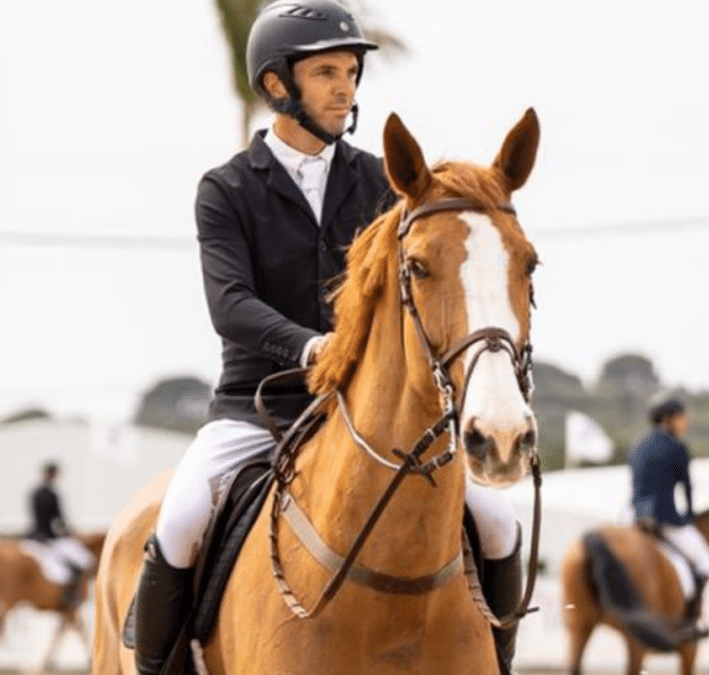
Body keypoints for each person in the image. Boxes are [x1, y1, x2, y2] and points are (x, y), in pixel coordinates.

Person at [133, 2, 526, 674]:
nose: (345, 87)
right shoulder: (226, 190)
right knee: (177, 522)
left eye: (349, 72)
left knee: (498, 522)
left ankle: (494, 654)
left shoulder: (384, 184)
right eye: (326, 73)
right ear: (278, 86)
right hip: (261, 406)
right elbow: (230, 304)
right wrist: (308, 347)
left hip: (370, 412)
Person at [628, 395, 709, 632]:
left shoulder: (638, 445)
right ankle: (694, 618)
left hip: (634, 516)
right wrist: (689, 519)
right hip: (664, 519)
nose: (687, 421)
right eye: (682, 417)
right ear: (668, 419)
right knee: (705, 561)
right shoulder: (677, 447)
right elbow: (687, 490)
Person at [27, 461, 94, 606]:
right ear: (53, 474)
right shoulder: (52, 494)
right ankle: (70, 598)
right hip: (49, 538)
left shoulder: (34, 493)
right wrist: (69, 533)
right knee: (84, 561)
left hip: (32, 536)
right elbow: (59, 520)